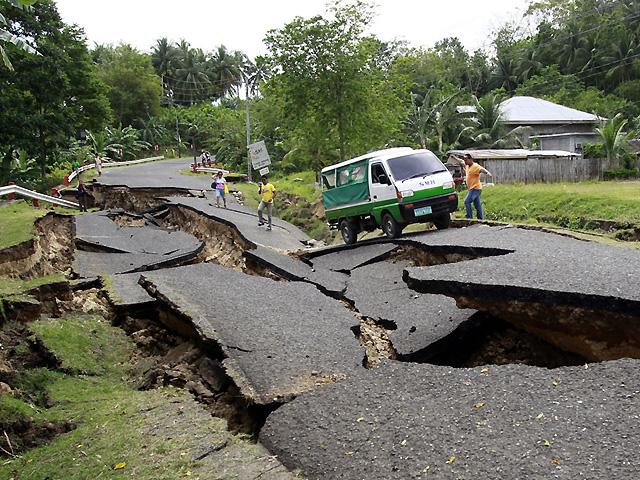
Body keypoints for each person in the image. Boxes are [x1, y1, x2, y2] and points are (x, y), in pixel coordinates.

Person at [462, 154, 492, 220]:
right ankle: (480, 219)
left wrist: (487, 173)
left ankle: (469, 217)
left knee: (467, 201)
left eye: (466, 160)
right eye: (464, 160)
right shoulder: (467, 166)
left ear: (470, 159)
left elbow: (481, 169)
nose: (465, 161)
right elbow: (460, 161)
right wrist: (454, 157)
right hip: (471, 188)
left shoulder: (475, 166)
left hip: (475, 188)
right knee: (477, 205)